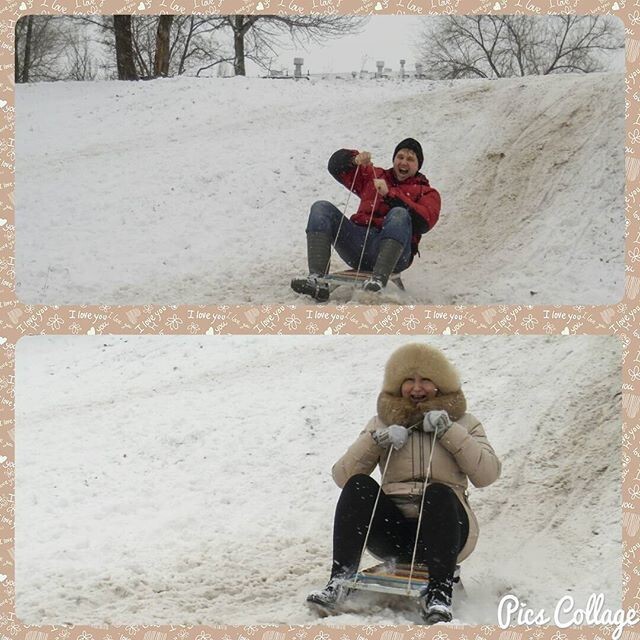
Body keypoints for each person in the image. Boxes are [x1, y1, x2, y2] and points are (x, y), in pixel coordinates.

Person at [306, 343, 501, 624]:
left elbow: (488, 474)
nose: (416, 388)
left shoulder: (465, 423)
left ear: (440, 384)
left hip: (446, 530)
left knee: (438, 492)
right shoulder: (381, 423)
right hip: (394, 535)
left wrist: (450, 431)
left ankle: (439, 594)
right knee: (359, 485)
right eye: (409, 380)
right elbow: (342, 476)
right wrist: (375, 440)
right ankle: (339, 580)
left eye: (425, 380)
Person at [291, 138, 441, 302]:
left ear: (418, 166)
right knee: (321, 208)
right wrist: (354, 160)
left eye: (410, 159)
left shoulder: (427, 193)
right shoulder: (374, 175)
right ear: (394, 159)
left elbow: (424, 222)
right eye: (400, 157)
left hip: (396, 255)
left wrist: (390, 195)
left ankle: (378, 279)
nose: (404, 162)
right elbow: (334, 166)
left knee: (399, 213)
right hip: (358, 247)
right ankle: (317, 280)